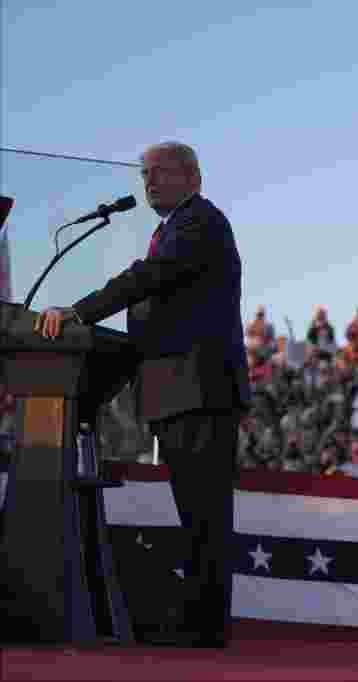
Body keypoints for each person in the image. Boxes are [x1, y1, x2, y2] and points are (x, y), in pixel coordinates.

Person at [34, 141, 249, 648]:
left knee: (204, 515)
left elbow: (147, 278)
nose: (148, 181)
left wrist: (79, 311)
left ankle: (204, 627)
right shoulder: (171, 228)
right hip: (177, 390)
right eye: (144, 173)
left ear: (193, 177)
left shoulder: (201, 223)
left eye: (159, 172)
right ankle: (200, 622)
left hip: (198, 390)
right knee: (196, 513)